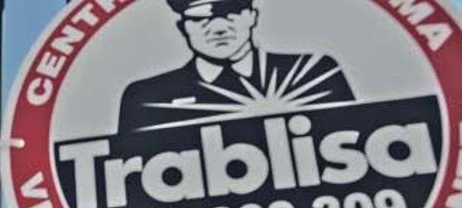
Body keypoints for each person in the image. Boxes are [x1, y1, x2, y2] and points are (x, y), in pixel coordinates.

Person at [118, 0, 355, 133]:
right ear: (183, 28)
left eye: (230, 13)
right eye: (202, 19)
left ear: (252, 16)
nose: (219, 28)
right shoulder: (147, 98)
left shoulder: (313, 72)